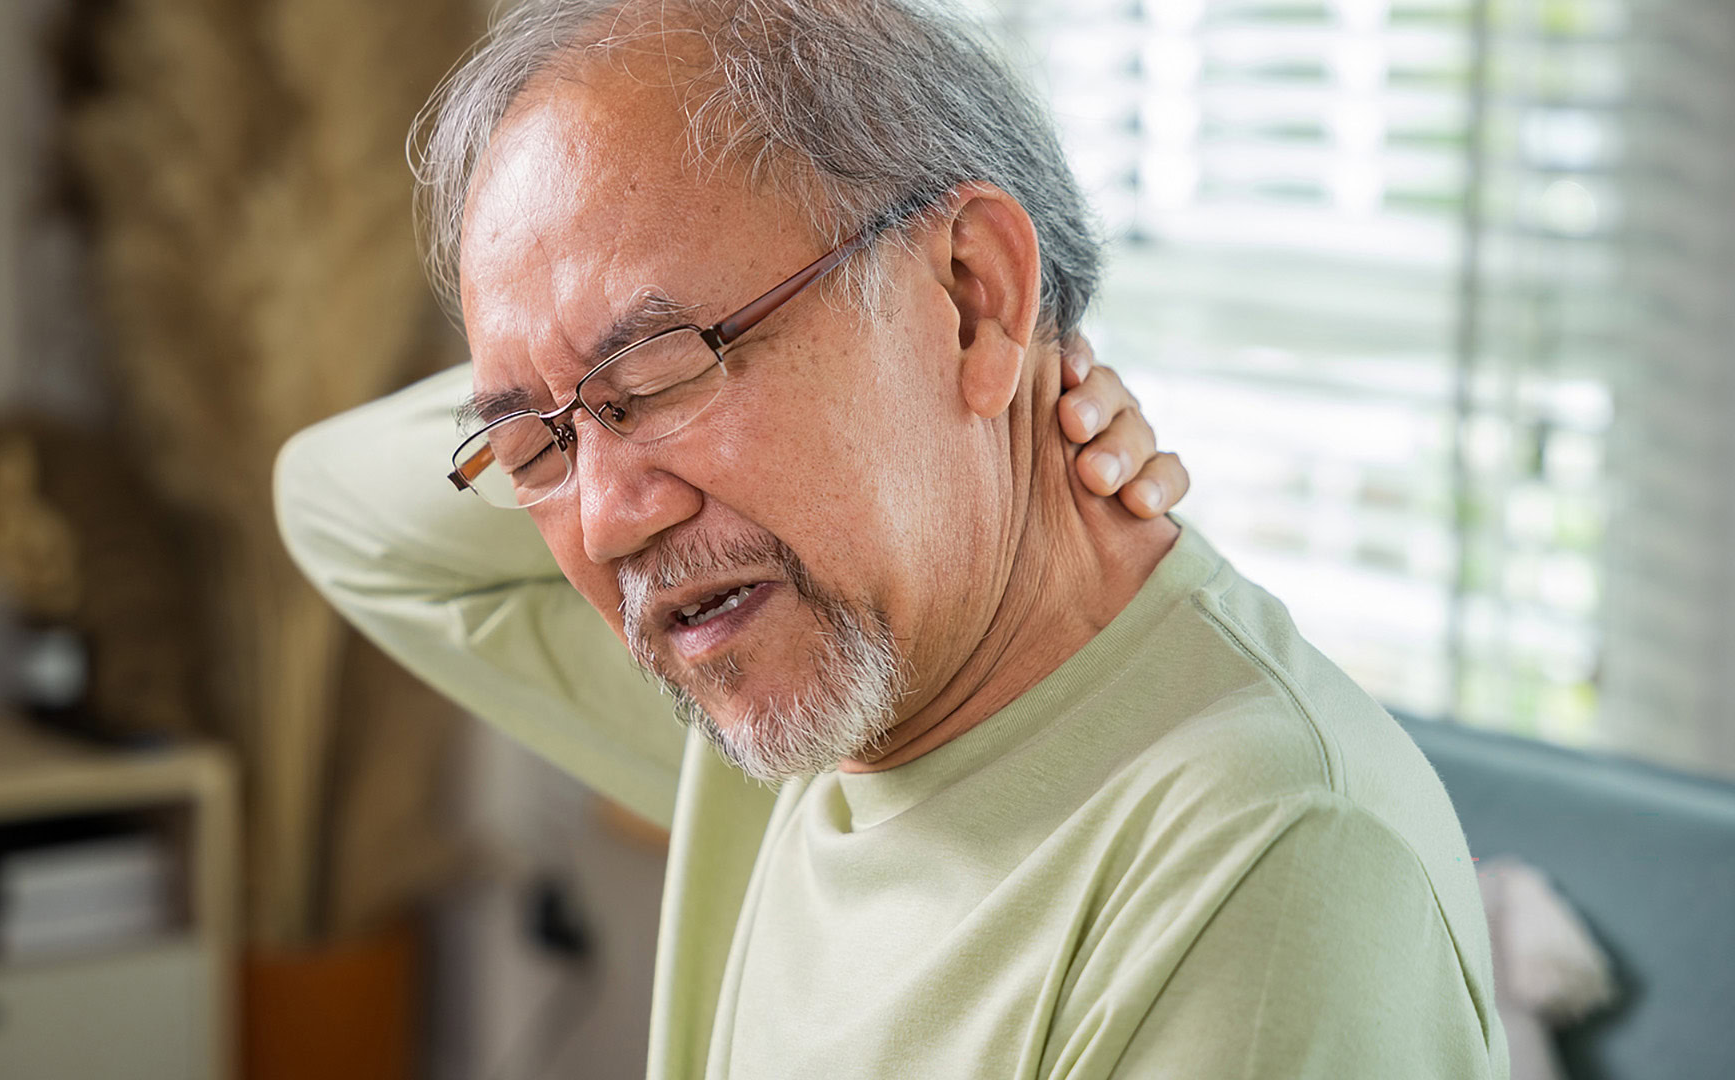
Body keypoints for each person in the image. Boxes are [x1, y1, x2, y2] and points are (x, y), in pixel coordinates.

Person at [275, 1, 1508, 1077]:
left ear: (969, 292)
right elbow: (331, 506)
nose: (605, 522)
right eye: (542, 450)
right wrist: (546, 392)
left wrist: (1020, 364)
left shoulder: (1270, 868)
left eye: (657, 373)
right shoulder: (798, 683)